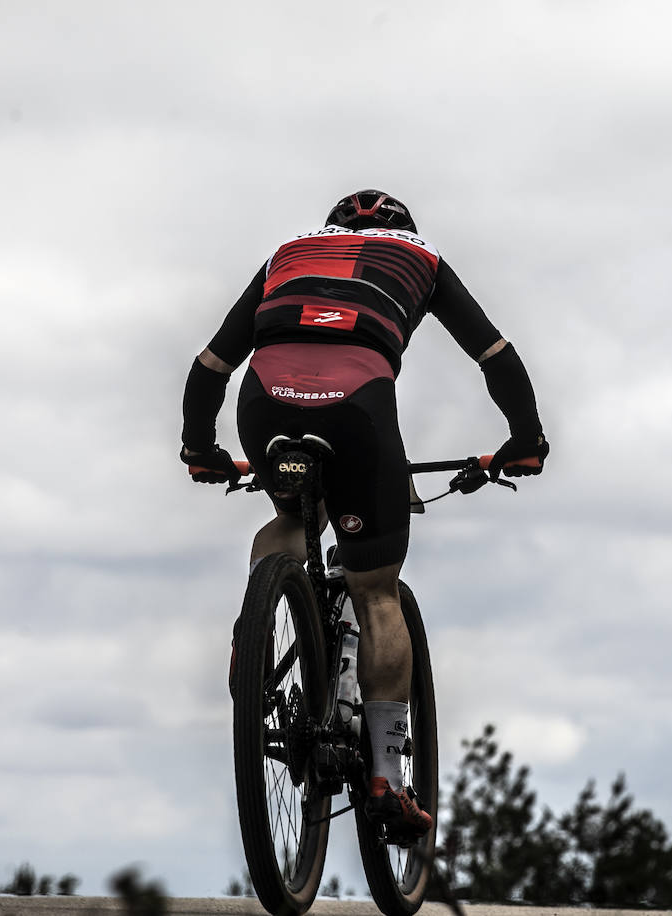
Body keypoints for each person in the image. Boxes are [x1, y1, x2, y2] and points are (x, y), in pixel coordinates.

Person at [179, 189, 549, 839]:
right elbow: (495, 357)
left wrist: (200, 449)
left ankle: (253, 633)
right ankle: (386, 775)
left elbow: (212, 364)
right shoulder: (422, 257)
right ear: (406, 229)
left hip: (265, 403)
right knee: (376, 590)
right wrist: (526, 440)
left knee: (292, 519)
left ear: (331, 230)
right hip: (356, 407)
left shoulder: (288, 254)